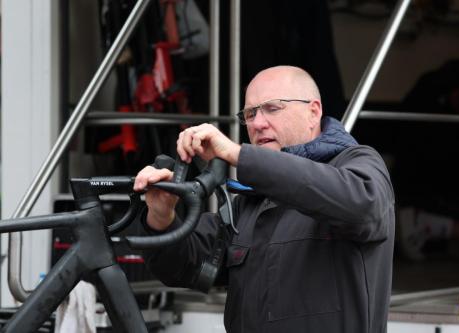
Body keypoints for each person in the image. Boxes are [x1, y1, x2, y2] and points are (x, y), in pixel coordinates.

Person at [134, 66, 395, 333]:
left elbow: (363, 207)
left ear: (313, 112)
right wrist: (161, 215)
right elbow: (186, 266)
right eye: (250, 113)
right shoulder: (251, 201)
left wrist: (239, 155)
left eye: (272, 108)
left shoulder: (357, 163)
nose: (257, 123)